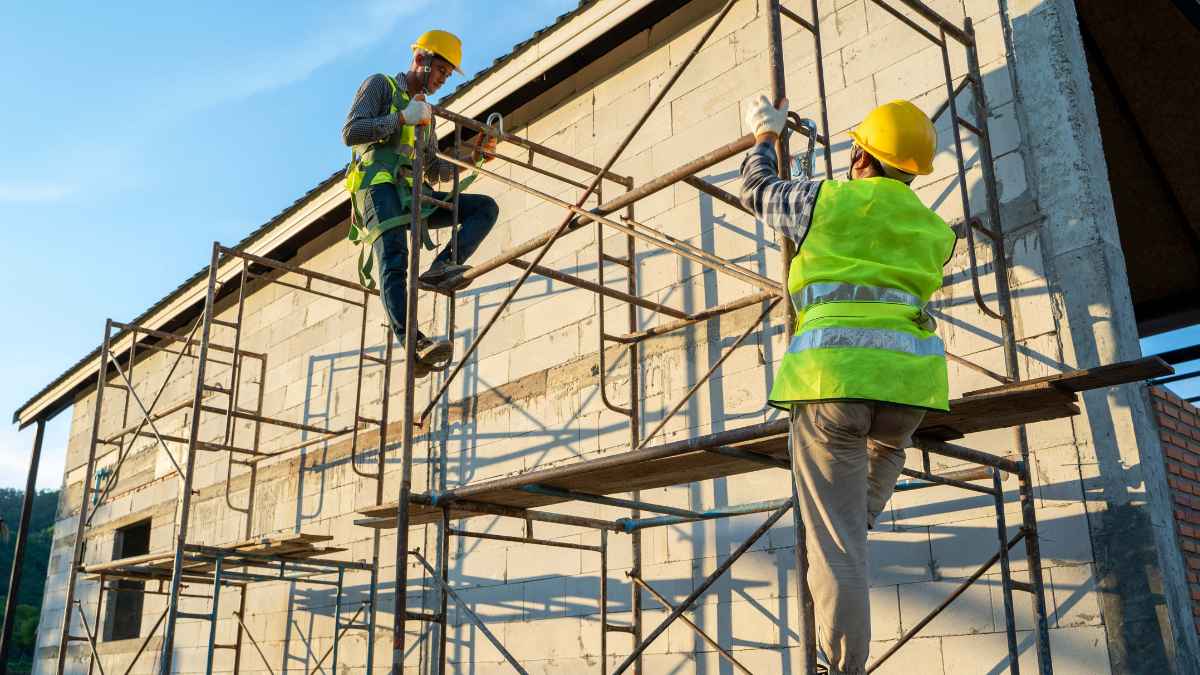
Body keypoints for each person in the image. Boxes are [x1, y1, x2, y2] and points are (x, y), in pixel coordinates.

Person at [741, 95, 955, 675]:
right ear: (912, 169)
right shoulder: (936, 230)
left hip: (833, 386)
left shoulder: (825, 200)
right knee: (847, 525)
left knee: (837, 550)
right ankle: (843, 533)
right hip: (907, 395)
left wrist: (764, 135)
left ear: (861, 155)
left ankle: (843, 668)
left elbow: (758, 191)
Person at [342, 29, 499, 377]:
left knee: (484, 208)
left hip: (414, 195)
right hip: (379, 187)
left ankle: (443, 265)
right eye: (441, 70)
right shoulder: (381, 86)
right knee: (395, 259)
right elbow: (351, 132)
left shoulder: (427, 112)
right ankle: (414, 343)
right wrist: (399, 119)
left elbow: (433, 167)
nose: (443, 79)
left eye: (446, 74)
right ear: (420, 60)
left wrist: (475, 157)